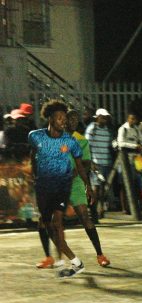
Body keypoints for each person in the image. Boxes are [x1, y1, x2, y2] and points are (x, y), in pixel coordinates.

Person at [37, 109, 111, 269]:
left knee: (85, 217)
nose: (73, 121)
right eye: (70, 118)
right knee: (43, 221)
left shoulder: (81, 140)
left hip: (75, 183)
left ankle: (100, 254)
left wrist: (82, 177)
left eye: (76, 119)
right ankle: (49, 257)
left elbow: (86, 163)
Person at [29, 100, 92, 278]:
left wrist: (88, 185)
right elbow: (33, 154)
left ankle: (70, 261)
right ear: (50, 119)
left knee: (56, 223)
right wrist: (35, 173)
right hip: (44, 186)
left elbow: (80, 166)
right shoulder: (35, 136)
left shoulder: (70, 141)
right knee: (45, 223)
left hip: (62, 186)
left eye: (64, 118)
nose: (63, 121)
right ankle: (71, 262)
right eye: (59, 118)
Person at [85, 108, 114, 218]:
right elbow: (87, 146)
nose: (104, 119)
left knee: (103, 188)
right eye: (102, 117)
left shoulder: (108, 130)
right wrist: (91, 162)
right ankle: (94, 212)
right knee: (95, 188)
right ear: (97, 117)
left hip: (107, 162)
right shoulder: (92, 128)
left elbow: (110, 145)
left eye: (106, 117)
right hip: (96, 163)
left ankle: (100, 209)